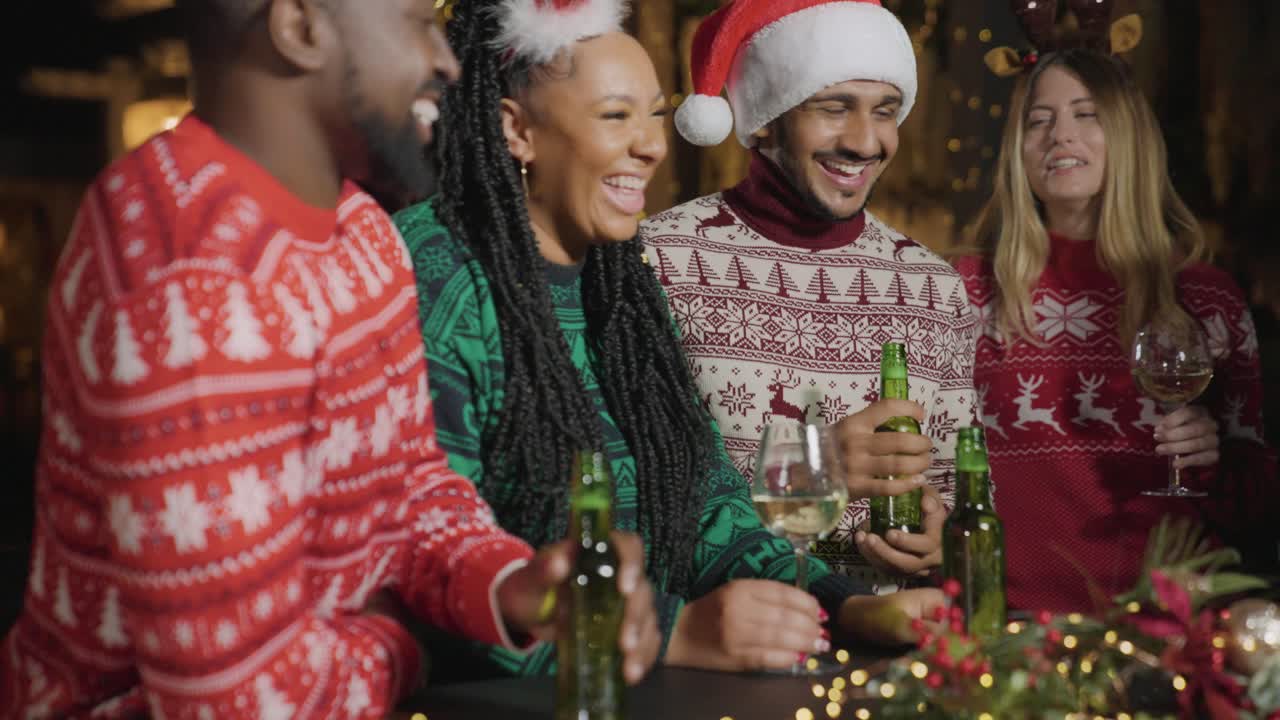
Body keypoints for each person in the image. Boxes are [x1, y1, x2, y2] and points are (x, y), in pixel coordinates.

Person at [0, 1, 661, 716]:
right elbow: (236, 701)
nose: (445, 62)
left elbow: (408, 486)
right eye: (415, 23)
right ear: (301, 27)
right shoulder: (188, 273)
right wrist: (409, 647)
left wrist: (515, 587)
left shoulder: (360, 230)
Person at [396, 0, 944, 678]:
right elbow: (425, 562)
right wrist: (672, 633)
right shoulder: (434, 273)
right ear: (517, 130)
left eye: (655, 115)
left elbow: (706, 503)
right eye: (615, 116)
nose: (652, 145)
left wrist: (843, 604)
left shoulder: (620, 284)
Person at [641, 0, 979, 592]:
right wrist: (814, 473)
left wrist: (941, 542)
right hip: (726, 650)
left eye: (886, 111)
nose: (866, 141)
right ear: (768, 115)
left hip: (887, 654)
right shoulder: (658, 263)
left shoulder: (933, 288)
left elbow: (966, 498)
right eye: (834, 108)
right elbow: (635, 494)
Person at [954, 41, 1276, 612]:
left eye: (1087, 115)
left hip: (1168, 624)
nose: (1060, 136)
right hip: (1008, 626)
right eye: (1039, 121)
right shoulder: (967, 290)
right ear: (1018, 150)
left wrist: (1214, 456)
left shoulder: (1205, 298)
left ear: (1128, 138)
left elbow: (1258, 507)